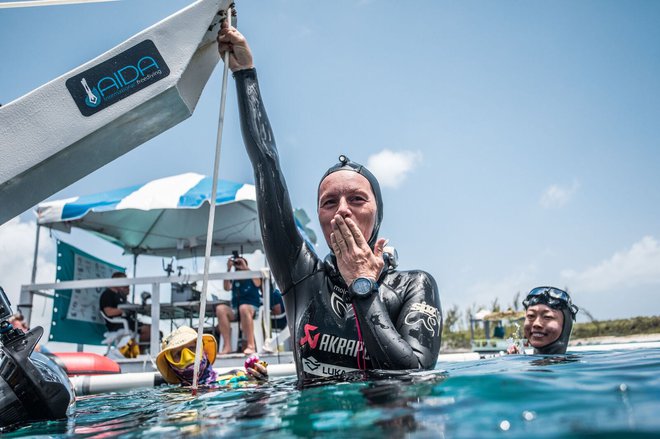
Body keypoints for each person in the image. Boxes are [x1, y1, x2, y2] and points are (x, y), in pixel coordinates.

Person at [217, 22, 442, 382]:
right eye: (329, 202)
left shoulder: (413, 286)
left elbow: (413, 374)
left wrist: (363, 286)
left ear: (377, 215)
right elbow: (266, 164)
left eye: (356, 199)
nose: (342, 210)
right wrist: (245, 74)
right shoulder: (300, 274)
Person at [156, 326, 267, 386]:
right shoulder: (172, 396)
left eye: (192, 348)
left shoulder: (236, 377)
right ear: (170, 364)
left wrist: (261, 383)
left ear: (204, 351)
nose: (188, 357)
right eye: (178, 354)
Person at [507, 286, 579, 355]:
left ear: (566, 326)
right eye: (531, 316)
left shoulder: (579, 366)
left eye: (547, 317)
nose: (536, 323)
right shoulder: (519, 363)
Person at [215, 255, 262, 355]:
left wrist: (246, 268)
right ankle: (227, 346)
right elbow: (226, 288)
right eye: (237, 264)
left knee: (244, 308)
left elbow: (258, 283)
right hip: (236, 309)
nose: (238, 266)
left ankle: (251, 345)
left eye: (240, 263)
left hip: (251, 308)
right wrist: (228, 268)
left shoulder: (252, 275)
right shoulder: (233, 277)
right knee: (220, 309)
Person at [99, 272, 151, 346]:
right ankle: (129, 350)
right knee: (149, 331)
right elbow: (108, 312)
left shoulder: (119, 295)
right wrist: (125, 310)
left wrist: (133, 307)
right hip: (118, 324)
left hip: (129, 323)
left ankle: (132, 350)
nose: (126, 284)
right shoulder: (107, 294)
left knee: (154, 330)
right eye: (124, 281)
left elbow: (127, 306)